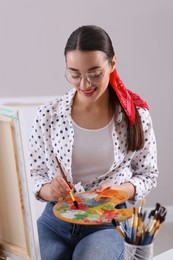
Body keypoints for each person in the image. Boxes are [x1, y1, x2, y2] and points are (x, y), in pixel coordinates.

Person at [28, 25, 159, 260]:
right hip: (55, 221)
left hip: (108, 222)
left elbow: (148, 175)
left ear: (112, 63)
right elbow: (36, 176)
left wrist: (120, 191)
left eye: (95, 73)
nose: (85, 84)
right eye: (75, 74)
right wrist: (51, 191)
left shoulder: (135, 114)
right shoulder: (48, 115)